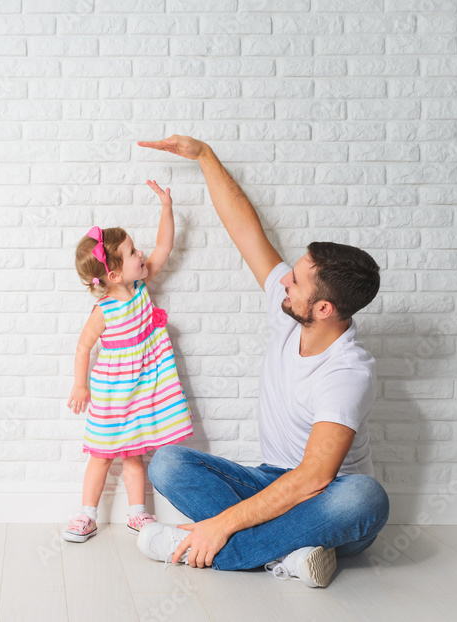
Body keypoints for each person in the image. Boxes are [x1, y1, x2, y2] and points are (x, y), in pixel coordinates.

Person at [133, 135, 390, 589]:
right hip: (270, 481)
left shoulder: (348, 372)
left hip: (328, 497)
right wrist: (204, 156)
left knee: (366, 498)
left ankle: (195, 546)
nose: (283, 280)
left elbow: (314, 478)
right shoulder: (291, 312)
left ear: (324, 309)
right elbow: (246, 232)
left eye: (296, 281)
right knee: (168, 464)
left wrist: (220, 523)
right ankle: (290, 555)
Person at [62, 180, 195, 543]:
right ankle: (87, 514)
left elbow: (165, 246)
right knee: (102, 454)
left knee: (135, 454)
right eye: (134, 251)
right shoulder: (103, 311)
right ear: (116, 274)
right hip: (111, 391)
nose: (142, 255)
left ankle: (137, 513)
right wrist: (80, 384)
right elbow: (83, 347)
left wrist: (166, 207)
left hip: (142, 386)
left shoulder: (140, 286)